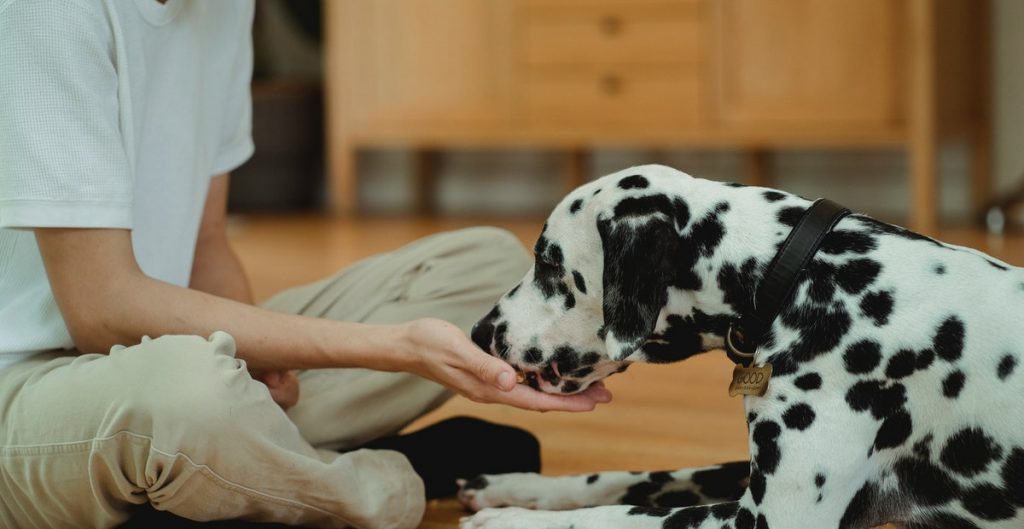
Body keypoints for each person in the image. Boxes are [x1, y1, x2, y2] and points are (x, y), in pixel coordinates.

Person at [0, 1, 612, 528]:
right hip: (27, 394)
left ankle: (230, 477)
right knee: (191, 396)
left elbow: (208, 242)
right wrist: (395, 346)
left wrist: (255, 362)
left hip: (151, 350)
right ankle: (377, 484)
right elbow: (101, 310)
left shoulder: (224, 8)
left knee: (484, 269)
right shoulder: (48, 12)